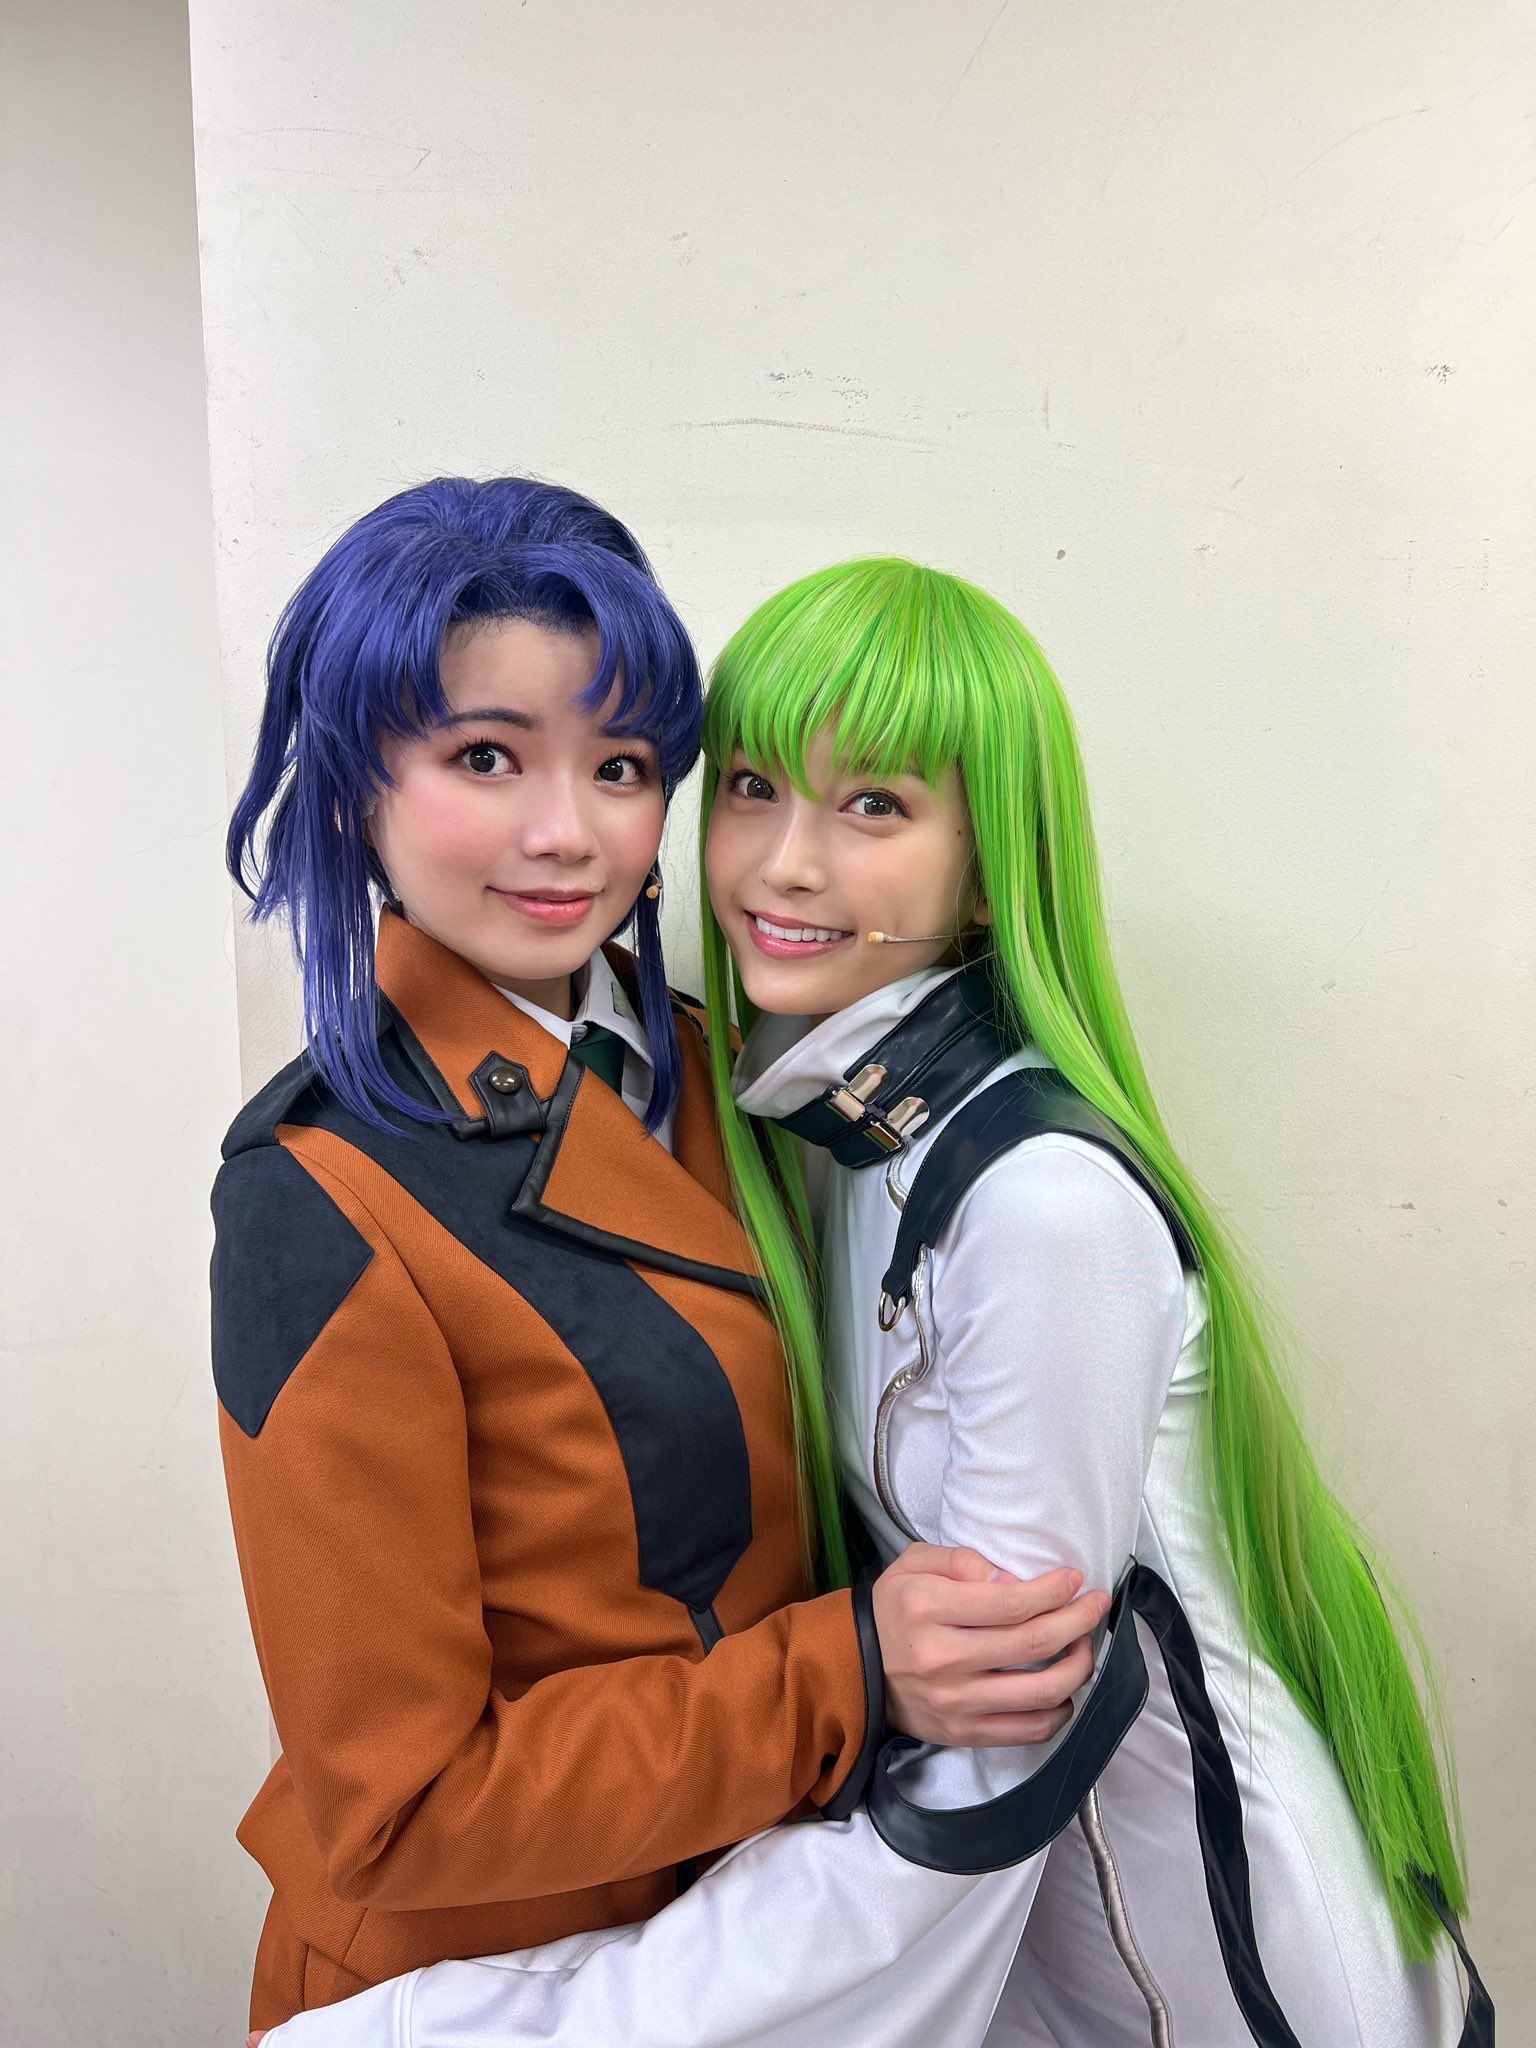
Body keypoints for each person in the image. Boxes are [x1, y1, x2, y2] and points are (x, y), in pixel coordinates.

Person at [254, 557, 1485, 2047]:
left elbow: (1003, 1724)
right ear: (353, 791)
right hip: (651, 1945)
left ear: (994, 864)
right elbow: (401, 1794)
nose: (782, 865)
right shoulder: (738, 1123)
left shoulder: (947, 1171)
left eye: (876, 806)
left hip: (1167, 1957)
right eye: (755, 788)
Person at [213, 491, 1104, 2035]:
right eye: (485, 758)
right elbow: (400, 1810)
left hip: (767, 1938)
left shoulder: (712, 1067)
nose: (570, 832)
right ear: (356, 784)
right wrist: (849, 1673)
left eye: (621, 766)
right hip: (492, 1989)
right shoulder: (321, 1194)